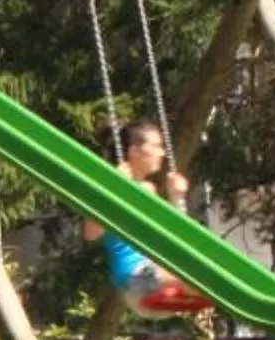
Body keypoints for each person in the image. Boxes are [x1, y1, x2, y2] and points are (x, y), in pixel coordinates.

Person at [82, 118, 193, 313]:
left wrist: (178, 199)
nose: (162, 152)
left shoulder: (149, 190)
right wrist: (113, 189)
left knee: (204, 278)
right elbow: (90, 233)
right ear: (134, 151)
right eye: (156, 146)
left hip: (157, 278)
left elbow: (176, 238)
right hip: (136, 282)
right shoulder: (108, 186)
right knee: (203, 279)